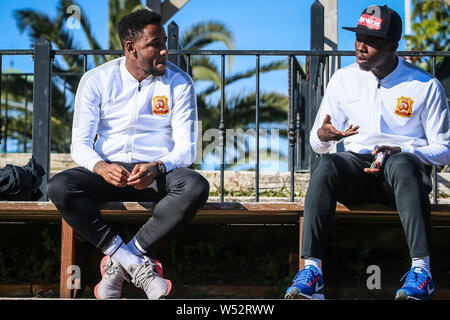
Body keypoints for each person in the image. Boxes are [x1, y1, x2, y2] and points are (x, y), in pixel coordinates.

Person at [285, 5, 450, 300]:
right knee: (327, 165)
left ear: (393, 45)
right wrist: (323, 137)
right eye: (358, 37)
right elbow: (316, 140)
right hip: (357, 168)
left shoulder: (425, 85)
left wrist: (405, 149)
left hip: (401, 175)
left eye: (371, 41)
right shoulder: (342, 79)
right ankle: (312, 272)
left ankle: (421, 273)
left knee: (400, 164)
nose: (361, 46)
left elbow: (444, 150)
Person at [47, 9, 209, 300]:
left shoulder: (180, 82)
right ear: (131, 48)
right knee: (59, 186)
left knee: (195, 186)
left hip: (157, 174)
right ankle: (132, 262)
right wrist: (100, 167)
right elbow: (80, 144)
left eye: (164, 42)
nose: (164, 50)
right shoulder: (96, 79)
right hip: (110, 172)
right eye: (155, 43)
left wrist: (158, 167)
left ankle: (121, 262)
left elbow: (186, 148)